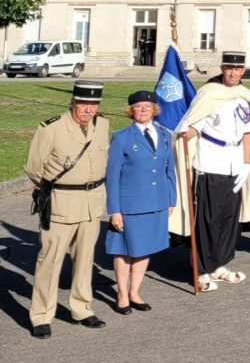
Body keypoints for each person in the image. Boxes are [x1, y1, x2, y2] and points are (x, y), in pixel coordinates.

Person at [171, 50, 250, 292]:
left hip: (235, 164)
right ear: (222, 68)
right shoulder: (209, 94)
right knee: (208, 219)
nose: (234, 73)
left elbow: (249, 132)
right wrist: (184, 132)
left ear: (243, 70)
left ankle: (220, 265)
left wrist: (247, 164)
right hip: (210, 165)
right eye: (229, 68)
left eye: (238, 69)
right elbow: (193, 128)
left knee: (229, 219)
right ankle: (202, 270)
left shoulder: (244, 96)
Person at [25, 78, 111, 337]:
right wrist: (51, 192)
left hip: (92, 203)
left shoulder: (103, 124)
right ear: (73, 102)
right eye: (83, 103)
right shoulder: (51, 128)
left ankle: (82, 308)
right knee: (49, 261)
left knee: (85, 259)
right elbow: (33, 168)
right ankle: (41, 315)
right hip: (61, 203)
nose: (88, 110)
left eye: (93, 104)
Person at [105, 90, 177, 313]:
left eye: (148, 106)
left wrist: (171, 199)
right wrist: (114, 210)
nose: (144, 110)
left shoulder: (165, 135)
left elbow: (169, 170)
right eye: (138, 106)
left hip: (157, 202)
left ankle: (135, 291)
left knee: (145, 247)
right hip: (131, 204)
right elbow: (112, 176)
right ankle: (121, 293)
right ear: (131, 111)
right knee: (125, 249)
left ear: (154, 110)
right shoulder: (122, 137)